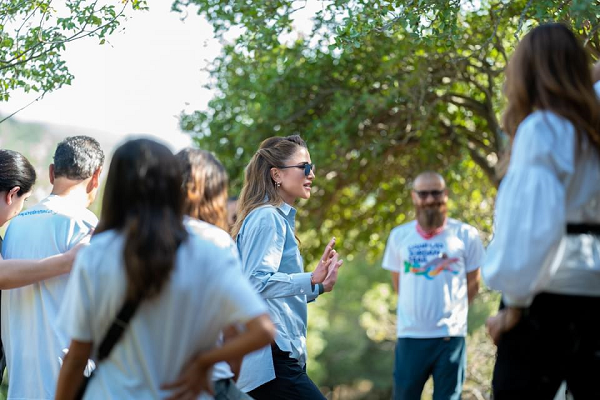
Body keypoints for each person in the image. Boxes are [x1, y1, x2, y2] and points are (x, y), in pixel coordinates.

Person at [55, 139, 274, 400]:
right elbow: (262, 331)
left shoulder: (96, 254)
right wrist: (205, 362)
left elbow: (77, 356)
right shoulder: (209, 250)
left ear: (115, 188)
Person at [482, 23, 600, 399]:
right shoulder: (592, 131)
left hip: (545, 296)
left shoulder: (542, 128)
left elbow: (533, 227)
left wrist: (514, 308)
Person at [232, 135, 343, 399]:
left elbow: (273, 290)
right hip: (272, 358)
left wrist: (319, 286)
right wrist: (310, 278)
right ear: (276, 175)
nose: (312, 174)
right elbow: (255, 282)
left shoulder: (273, 218)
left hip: (278, 357)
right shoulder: (267, 217)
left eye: (311, 167)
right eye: (304, 167)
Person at [1, 136, 104, 400]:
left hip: (19, 389)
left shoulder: (14, 226)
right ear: (96, 176)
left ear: (51, 172)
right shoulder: (87, 227)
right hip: (70, 388)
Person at [382, 171, 484, 400]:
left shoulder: (466, 234)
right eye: (423, 194)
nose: (430, 199)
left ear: (445, 194)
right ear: (414, 197)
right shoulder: (399, 236)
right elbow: (399, 285)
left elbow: (474, 283)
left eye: (436, 193)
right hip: (410, 336)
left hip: (450, 338)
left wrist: (453, 315)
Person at [175, 147, 255, 399]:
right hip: (208, 381)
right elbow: (235, 328)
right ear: (214, 194)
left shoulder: (135, 239)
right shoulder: (216, 241)